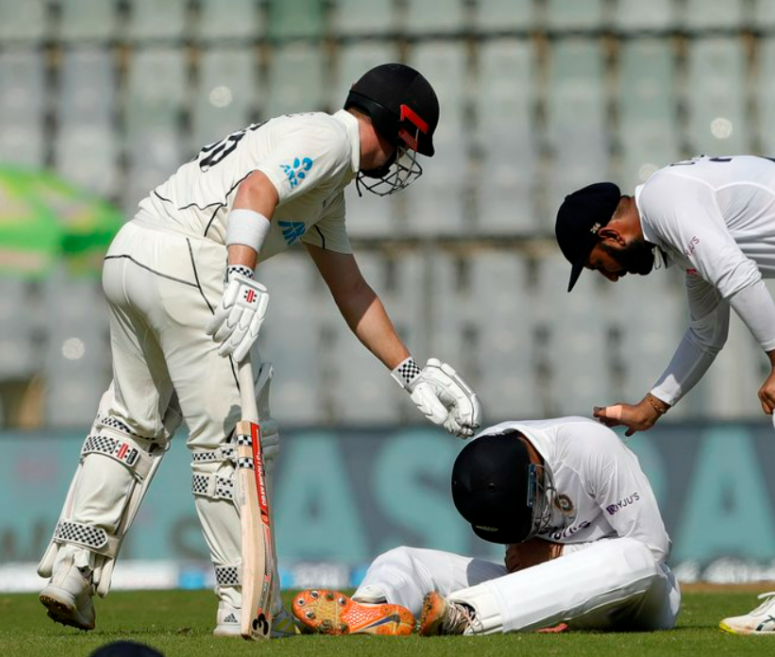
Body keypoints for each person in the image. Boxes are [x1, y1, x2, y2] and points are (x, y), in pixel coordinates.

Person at [36, 63, 482, 637]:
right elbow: (256, 191)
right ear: (400, 126)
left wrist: (411, 373)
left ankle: (72, 570)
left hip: (131, 253)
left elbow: (352, 291)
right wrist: (241, 271)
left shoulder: (328, 190)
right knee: (231, 441)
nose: (400, 161)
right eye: (406, 146)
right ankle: (242, 604)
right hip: (187, 256)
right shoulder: (328, 141)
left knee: (130, 422)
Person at [554, 155, 775, 635]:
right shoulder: (680, 232)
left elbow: (738, 273)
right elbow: (706, 334)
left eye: (598, 265)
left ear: (611, 235)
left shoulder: (664, 197)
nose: (611, 276)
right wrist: (651, 406)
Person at [290, 416, 680, 636]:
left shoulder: (590, 446)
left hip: (635, 601)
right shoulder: (490, 454)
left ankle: (465, 615)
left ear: (537, 477)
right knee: (406, 559)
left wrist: (558, 554)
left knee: (636, 557)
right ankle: (370, 609)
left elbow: (653, 545)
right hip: (539, 590)